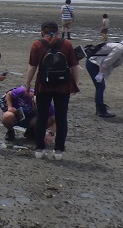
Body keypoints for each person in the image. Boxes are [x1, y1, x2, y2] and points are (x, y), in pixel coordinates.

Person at [23, 21, 80, 160]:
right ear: (58, 31)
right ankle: (59, 150)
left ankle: (39, 149)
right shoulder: (67, 44)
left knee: (42, 116)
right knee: (61, 117)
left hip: (44, 85)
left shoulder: (37, 44)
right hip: (63, 86)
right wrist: (75, 84)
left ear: (42, 32)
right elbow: (74, 66)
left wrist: (27, 84)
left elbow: (32, 66)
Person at [85, 38, 123, 118]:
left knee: (100, 87)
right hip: (94, 64)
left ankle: (100, 109)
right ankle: (101, 110)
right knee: (100, 87)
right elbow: (106, 62)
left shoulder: (122, 49)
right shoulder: (119, 49)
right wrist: (100, 74)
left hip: (95, 64)